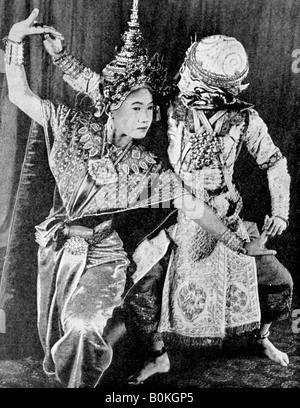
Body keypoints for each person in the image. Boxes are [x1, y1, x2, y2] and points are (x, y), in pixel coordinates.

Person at [3, 6, 274, 388]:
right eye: (136, 107)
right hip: (56, 252)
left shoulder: (149, 167)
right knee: (54, 337)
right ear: (111, 108)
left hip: (104, 257)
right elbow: (20, 93)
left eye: (150, 108)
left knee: (82, 328)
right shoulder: (70, 125)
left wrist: (236, 242)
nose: (147, 116)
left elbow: (194, 207)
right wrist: (15, 39)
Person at [128, 35, 293, 384]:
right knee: (142, 285)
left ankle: (262, 339)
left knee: (280, 282)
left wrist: (280, 212)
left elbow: (275, 163)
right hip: (176, 214)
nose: (185, 82)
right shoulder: (169, 107)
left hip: (228, 217)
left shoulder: (245, 119)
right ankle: (159, 357)